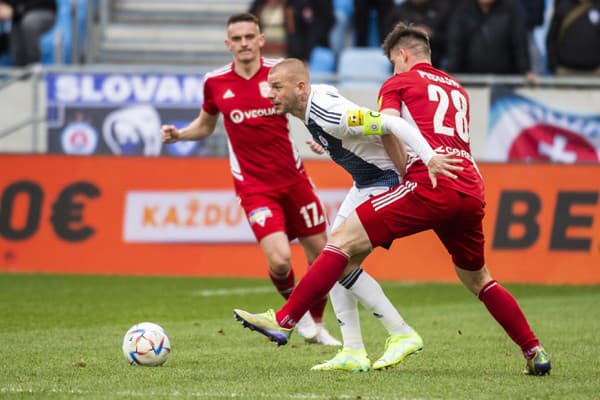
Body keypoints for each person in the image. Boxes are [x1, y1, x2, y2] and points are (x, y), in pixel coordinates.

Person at [233, 22, 552, 376]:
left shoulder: (399, 82)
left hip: (430, 181)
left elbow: (390, 126)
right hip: (470, 185)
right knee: (479, 279)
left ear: (402, 55)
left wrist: (427, 159)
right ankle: (534, 350)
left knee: (338, 244)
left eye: (392, 62)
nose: (392, 69)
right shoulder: (457, 89)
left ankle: (287, 319)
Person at [258, 58, 463, 371]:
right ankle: (353, 351)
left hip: (384, 181)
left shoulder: (329, 114)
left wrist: (430, 158)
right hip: (365, 182)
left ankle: (401, 333)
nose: (270, 94)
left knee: (337, 256)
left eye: (276, 87)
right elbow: (332, 97)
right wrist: (328, 138)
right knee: (336, 262)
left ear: (300, 88)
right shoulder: (317, 103)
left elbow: (391, 124)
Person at [161, 13, 340, 346]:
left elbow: (307, 108)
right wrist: (180, 134)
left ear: (261, 39)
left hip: (295, 180)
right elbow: (206, 125)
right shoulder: (215, 82)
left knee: (321, 257)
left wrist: (321, 137)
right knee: (280, 259)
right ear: (228, 44)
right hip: (255, 188)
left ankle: (316, 325)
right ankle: (296, 317)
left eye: (249, 37)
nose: (243, 43)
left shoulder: (279, 74)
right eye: (237, 38)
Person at [445, 0, 536, 81]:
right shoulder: (462, 9)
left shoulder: (512, 8)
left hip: (506, 82)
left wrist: (525, 70)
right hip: (470, 82)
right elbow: (455, 46)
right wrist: (449, 71)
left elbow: (519, 42)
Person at [546, 0, 600, 76]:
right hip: (565, 71)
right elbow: (552, 38)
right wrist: (554, 66)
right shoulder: (563, 6)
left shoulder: (597, 6)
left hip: (595, 71)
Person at [0, 0, 57, 67]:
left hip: (42, 9)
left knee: (29, 22)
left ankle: (33, 66)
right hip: (18, 15)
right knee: (17, 26)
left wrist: (15, 10)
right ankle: (19, 69)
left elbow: (43, 3)